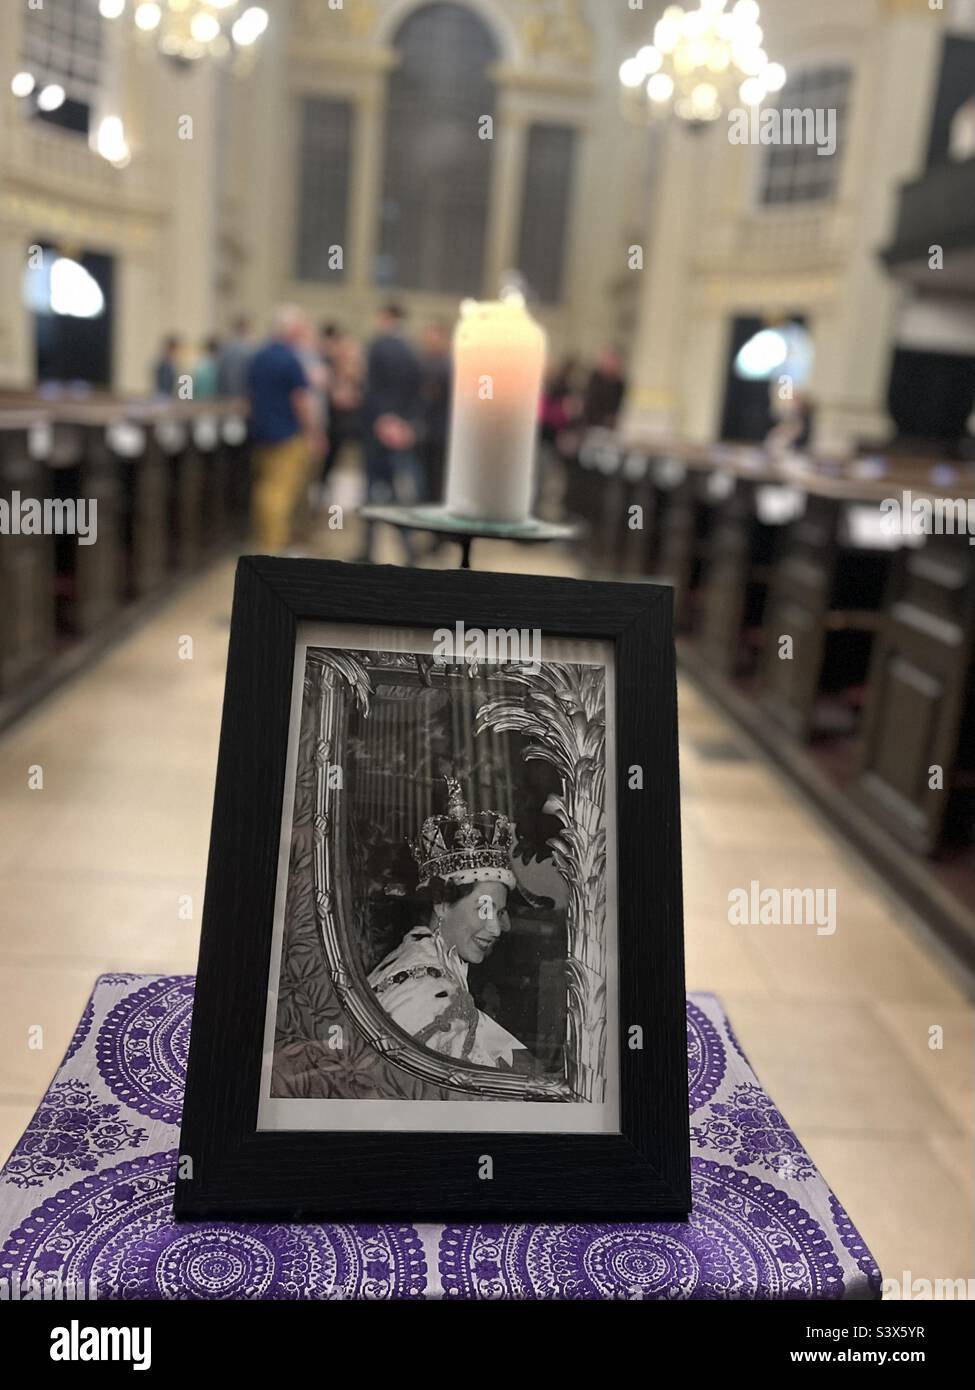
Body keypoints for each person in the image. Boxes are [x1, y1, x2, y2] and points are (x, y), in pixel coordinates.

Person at [368, 779, 527, 1068]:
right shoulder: (426, 991)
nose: (495, 928)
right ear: (442, 904)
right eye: (484, 908)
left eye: (499, 913)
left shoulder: (433, 961)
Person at [246, 305, 323, 552]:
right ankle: (274, 545)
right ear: (291, 330)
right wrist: (314, 433)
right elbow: (300, 400)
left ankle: (267, 539)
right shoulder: (290, 359)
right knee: (280, 492)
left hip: (262, 432)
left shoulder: (259, 356)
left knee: (265, 487)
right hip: (287, 434)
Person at [359, 302, 423, 564]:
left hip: (377, 430)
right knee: (400, 493)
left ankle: (369, 550)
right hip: (401, 433)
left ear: (386, 317)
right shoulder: (411, 351)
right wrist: (404, 425)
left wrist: (382, 420)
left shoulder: (377, 346)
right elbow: (415, 394)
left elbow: (372, 390)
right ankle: (407, 551)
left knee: (373, 490)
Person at [320, 324, 363, 490]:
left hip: (350, 425)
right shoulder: (330, 369)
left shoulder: (356, 373)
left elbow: (357, 397)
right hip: (333, 423)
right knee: (329, 461)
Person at [418, 319, 452, 505]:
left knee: (436, 483)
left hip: (440, 433)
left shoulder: (446, 366)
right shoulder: (425, 362)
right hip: (427, 432)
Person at [581, 345, 627, 429]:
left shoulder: (619, 384)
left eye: (612, 360)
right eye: (607, 359)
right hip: (591, 425)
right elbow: (589, 405)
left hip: (609, 427)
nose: (610, 363)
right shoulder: (594, 380)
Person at [216, 316, 254, 398]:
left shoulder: (225, 348)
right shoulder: (248, 350)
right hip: (242, 395)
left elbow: (220, 373)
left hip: (225, 394)